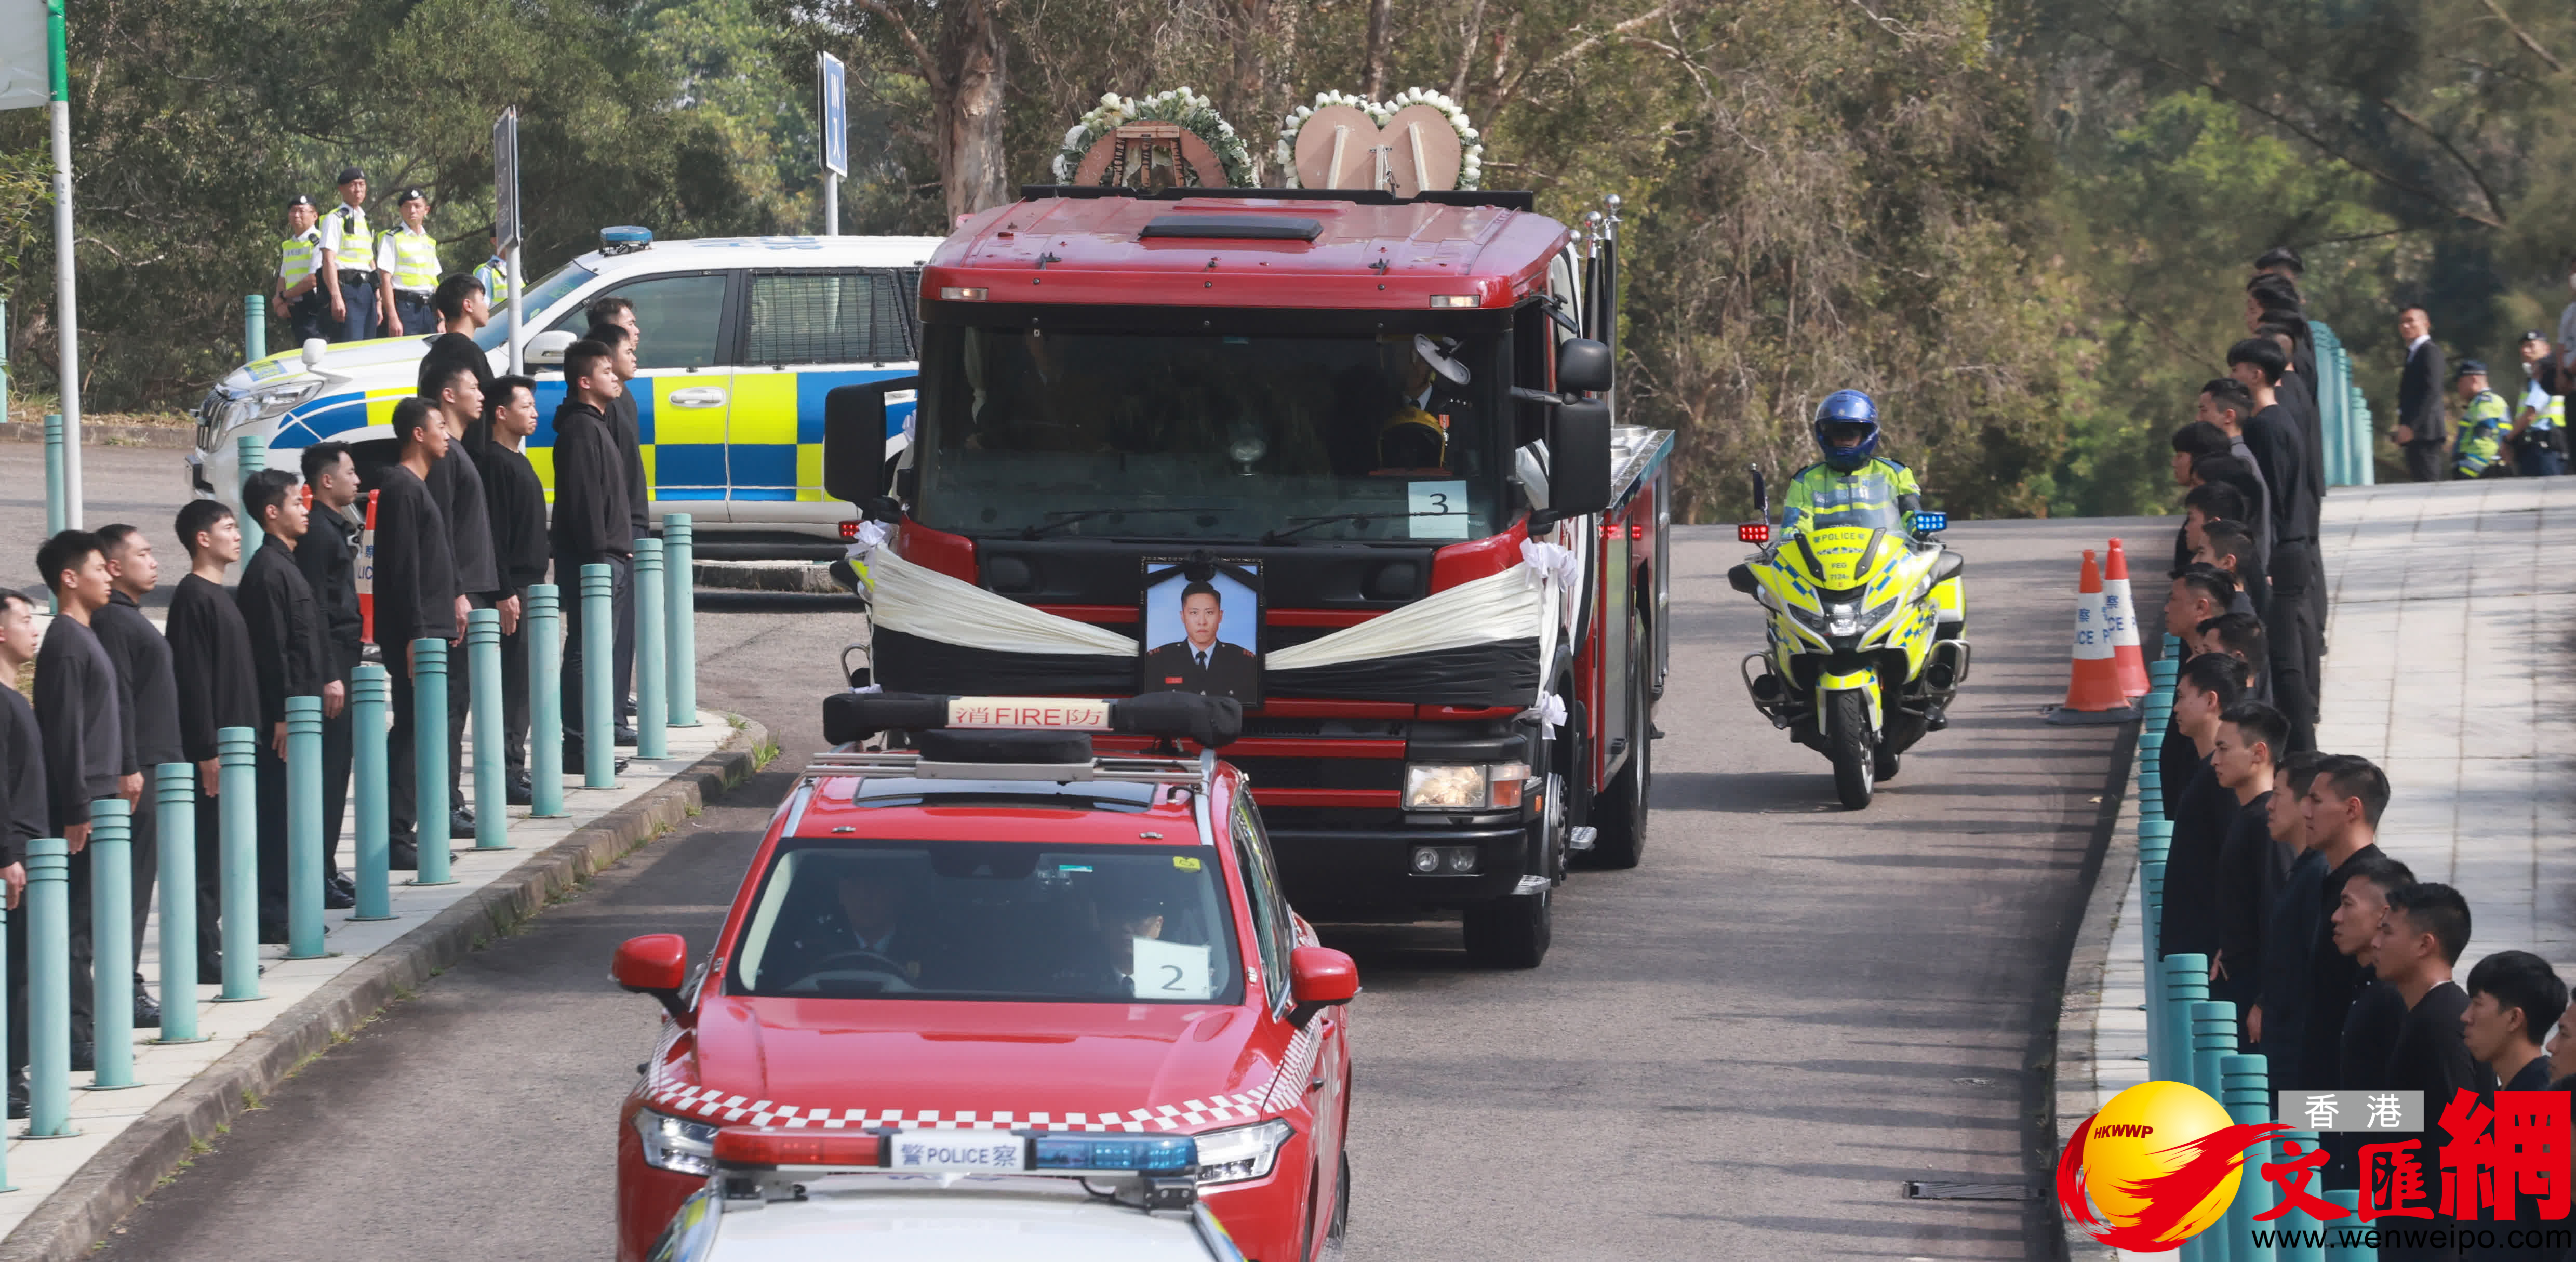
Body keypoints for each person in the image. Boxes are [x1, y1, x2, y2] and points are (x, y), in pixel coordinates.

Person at [32, 530, 125, 1068]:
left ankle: (82, 1024)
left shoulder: (84, 635)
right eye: (98, 567)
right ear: (70, 578)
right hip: (82, 805)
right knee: (75, 925)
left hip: (96, 798)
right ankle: (73, 1033)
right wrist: (75, 809)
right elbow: (64, 733)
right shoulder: (67, 641)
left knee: (87, 922)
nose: (109, 574)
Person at [235, 470, 333, 938]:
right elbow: (273, 650)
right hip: (284, 719)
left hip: (300, 712)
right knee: (277, 813)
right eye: (297, 502)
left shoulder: (286, 565)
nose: (305, 509)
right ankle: (272, 913)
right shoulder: (268, 571)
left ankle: (290, 904)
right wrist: (282, 714)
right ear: (272, 512)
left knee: (293, 811)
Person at [166, 501, 259, 979]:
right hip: (214, 751)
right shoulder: (193, 597)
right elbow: (194, 679)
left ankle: (215, 943)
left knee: (224, 852)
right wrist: (207, 751)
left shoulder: (223, 595)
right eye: (227, 528)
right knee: (206, 853)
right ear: (202, 538)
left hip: (237, 747)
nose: (237, 535)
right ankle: (202, 951)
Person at [91, 525, 179, 1025]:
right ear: (114, 566)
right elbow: (118, 700)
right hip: (137, 772)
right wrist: (127, 766)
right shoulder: (114, 622)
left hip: (150, 767)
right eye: (142, 554)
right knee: (127, 890)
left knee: (139, 887)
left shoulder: (128, 618)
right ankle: (121, 989)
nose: (154, 561)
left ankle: (126, 985)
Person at [375, 398, 463, 868]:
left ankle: (407, 829)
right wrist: (414, 633)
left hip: (431, 629)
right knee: (411, 731)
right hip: (417, 635)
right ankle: (394, 834)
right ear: (416, 434)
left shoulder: (418, 486)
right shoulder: (401, 487)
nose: (446, 435)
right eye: (439, 427)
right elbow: (402, 567)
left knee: (423, 730)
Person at [2371, 881, 2485, 1249]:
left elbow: (2462, 1141)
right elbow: (2409, 1112)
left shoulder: (2440, 1023)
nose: (2376, 943)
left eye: (2386, 932)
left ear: (2424, 944)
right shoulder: (2426, 1015)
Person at [2227, 338, 2320, 754]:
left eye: (2238, 369)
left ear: (2255, 374)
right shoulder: (2280, 419)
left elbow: (2273, 498)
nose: (2234, 376)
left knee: (2284, 663)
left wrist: (2264, 557)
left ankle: (2303, 752)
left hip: (2282, 552)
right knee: (2288, 657)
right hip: (2293, 547)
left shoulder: (2265, 426)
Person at [550, 341, 634, 769]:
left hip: (611, 558)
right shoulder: (581, 431)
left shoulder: (596, 425)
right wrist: (600, 557)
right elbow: (584, 505)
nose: (615, 376)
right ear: (585, 382)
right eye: (605, 371)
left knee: (597, 652)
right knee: (586, 652)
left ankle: (591, 743)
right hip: (596, 563)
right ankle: (579, 746)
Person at [425, 363, 499, 836]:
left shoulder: (460, 451)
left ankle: (451, 797)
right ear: (448, 395)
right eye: (473, 387)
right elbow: (440, 533)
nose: (482, 394)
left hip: (471, 591)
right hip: (458, 596)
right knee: (450, 703)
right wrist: (455, 592)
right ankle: (444, 801)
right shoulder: (445, 456)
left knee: (461, 700)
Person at [2298, 755, 2392, 1097]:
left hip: (2347, 1100)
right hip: (2321, 1089)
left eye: (2316, 800)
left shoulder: (2374, 886)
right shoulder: (2325, 880)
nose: (2304, 810)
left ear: (2352, 808)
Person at [477, 376, 549, 805]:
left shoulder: (519, 460)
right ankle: (506, 772)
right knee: (511, 685)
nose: (534, 412)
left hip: (531, 584)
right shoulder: (494, 464)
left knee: (524, 684)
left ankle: (514, 767)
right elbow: (494, 536)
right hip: (513, 589)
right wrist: (505, 591)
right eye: (525, 405)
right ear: (500, 413)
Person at [2321, 854, 2413, 1190]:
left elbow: (2409, 1108)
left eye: (2347, 905)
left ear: (2383, 916)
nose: (2335, 917)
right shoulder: (2367, 987)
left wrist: (2301, 1114)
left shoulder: (2392, 998)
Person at [296, 442, 363, 897]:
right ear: (326, 481)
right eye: (351, 472)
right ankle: (316, 872)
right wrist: (327, 674)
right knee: (328, 770)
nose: (358, 480)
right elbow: (316, 610)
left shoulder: (335, 528)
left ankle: (327, 864)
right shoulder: (319, 534)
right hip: (333, 663)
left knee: (339, 771)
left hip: (345, 657)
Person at [2156, 653, 2247, 968]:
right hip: (2194, 947)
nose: (2175, 708)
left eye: (2181, 697)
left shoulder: (2222, 780)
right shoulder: (2201, 768)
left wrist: (2231, 942)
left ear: (2211, 700)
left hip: (2210, 953)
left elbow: (2237, 865)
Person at [588, 314, 648, 746]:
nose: (636, 336)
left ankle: (615, 711)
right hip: (617, 534)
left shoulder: (623, 398)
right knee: (606, 633)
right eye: (628, 330)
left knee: (625, 629)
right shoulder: (594, 418)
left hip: (629, 527)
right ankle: (604, 720)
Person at [2210, 701, 2290, 1015]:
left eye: (2224, 749)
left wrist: (2264, 1000)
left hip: (2253, 994)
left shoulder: (2266, 824)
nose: (2215, 760)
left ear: (2259, 753)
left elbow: (2276, 915)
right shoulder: (2248, 816)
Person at [2252, 751, 2326, 1084]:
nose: (2268, 805)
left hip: (2304, 1060)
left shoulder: (2322, 877)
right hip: (2288, 1051)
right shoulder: (2304, 870)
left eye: (2277, 795)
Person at [1778, 390, 1927, 536]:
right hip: (1821, 558)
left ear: (1866, 434)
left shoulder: (1895, 473)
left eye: (1851, 433)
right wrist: (1791, 535)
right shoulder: (1805, 479)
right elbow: (1795, 523)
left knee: (1942, 560)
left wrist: (1919, 531)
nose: (1844, 439)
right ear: (1827, 436)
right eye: (1837, 432)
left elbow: (1911, 513)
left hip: (1888, 557)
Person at [1, 590, 42, 1113]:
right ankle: (9, 1074)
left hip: (30, 847)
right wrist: (8, 852)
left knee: (25, 967)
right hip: (15, 851)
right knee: (13, 970)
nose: (35, 628)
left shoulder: (15, 694)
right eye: (26, 619)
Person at [2462, 951, 2565, 1093]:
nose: (2465, 1017)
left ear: (2514, 1019)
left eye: (2477, 1004)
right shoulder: (2494, 1096)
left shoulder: (2545, 1102)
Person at [1143, 581, 1259, 701]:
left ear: (1220, 616)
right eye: (1194, 613)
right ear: (1183, 617)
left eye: (1209, 613)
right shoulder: (1158, 661)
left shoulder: (1244, 662)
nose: (1202, 622)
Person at [317, 167, 376, 343]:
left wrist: (378, 299)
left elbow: (370, 260)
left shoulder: (365, 220)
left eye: (362, 185)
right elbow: (328, 260)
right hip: (348, 288)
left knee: (369, 344)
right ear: (341, 189)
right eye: (353, 185)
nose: (358, 189)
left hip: (367, 289)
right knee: (351, 344)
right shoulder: (334, 219)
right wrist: (336, 296)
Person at [375, 188, 441, 338]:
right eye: (407, 206)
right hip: (405, 307)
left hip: (429, 309)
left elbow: (435, 283)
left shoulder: (429, 241)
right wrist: (393, 317)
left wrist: (441, 317)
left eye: (417, 206)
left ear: (426, 210)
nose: (412, 210)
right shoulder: (391, 237)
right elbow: (385, 280)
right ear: (401, 210)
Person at [2393, 305, 2448, 483]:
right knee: (2420, 483)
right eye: (2402, 322)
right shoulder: (2413, 353)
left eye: (2411, 321)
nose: (2406, 326)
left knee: (2428, 485)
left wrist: (2412, 426)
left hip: (2426, 431)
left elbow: (2431, 391)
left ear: (2426, 324)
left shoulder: (2429, 351)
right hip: (2416, 432)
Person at [416, 273, 492, 401]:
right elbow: (488, 405)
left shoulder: (431, 356)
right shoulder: (471, 353)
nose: (487, 306)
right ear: (468, 305)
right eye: (483, 299)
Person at [2508, 330, 2566, 477]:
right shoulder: (2535, 377)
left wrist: (2507, 440)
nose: (2525, 350)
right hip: (2538, 449)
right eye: (2523, 347)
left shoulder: (2545, 375)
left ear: (2546, 349)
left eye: (2531, 346)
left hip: (2543, 451)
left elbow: (2530, 414)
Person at [273, 195, 328, 347]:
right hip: (294, 310)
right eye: (293, 211)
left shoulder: (319, 240)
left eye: (302, 211)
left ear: (315, 216)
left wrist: (283, 296)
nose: (296, 215)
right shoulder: (288, 245)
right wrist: (279, 303)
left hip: (313, 308)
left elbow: (313, 279)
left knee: (315, 353)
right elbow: (283, 277)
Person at [2449, 359, 2510, 480]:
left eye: (2460, 382)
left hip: (2484, 474)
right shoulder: (2483, 403)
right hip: (2485, 472)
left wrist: (2468, 471)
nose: (2458, 387)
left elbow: (2486, 441)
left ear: (2473, 380)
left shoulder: (2484, 403)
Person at [472, 238, 511, 312]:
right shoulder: (485, 272)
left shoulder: (517, 269)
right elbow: (481, 311)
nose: (512, 239)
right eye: (507, 236)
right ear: (495, 241)